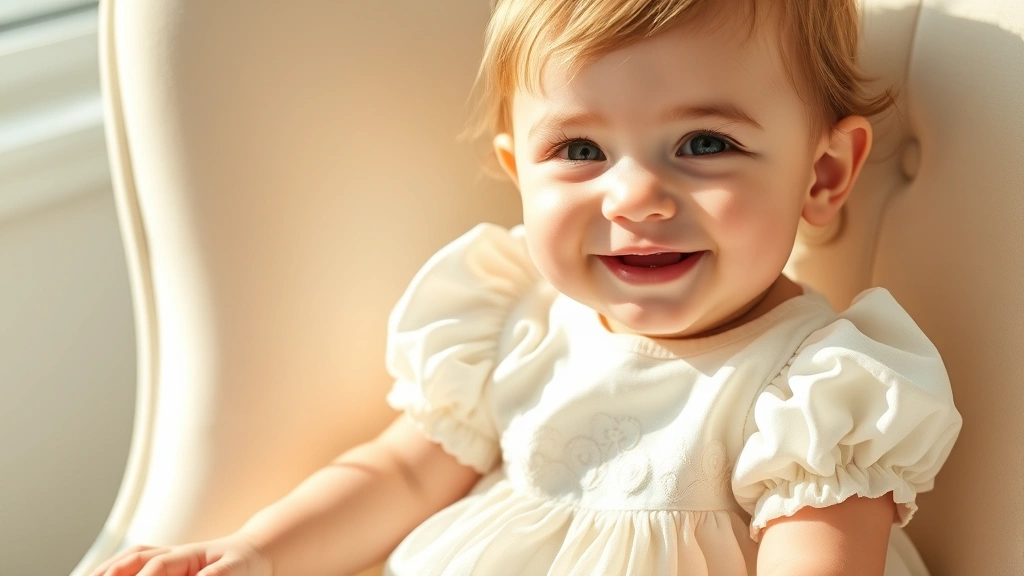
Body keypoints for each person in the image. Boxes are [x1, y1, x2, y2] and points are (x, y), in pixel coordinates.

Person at [90, 0, 963, 574]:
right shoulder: (512, 319)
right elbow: (397, 473)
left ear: (822, 174)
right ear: (520, 174)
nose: (635, 198)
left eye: (705, 144)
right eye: (580, 151)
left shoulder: (817, 390)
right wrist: (257, 551)